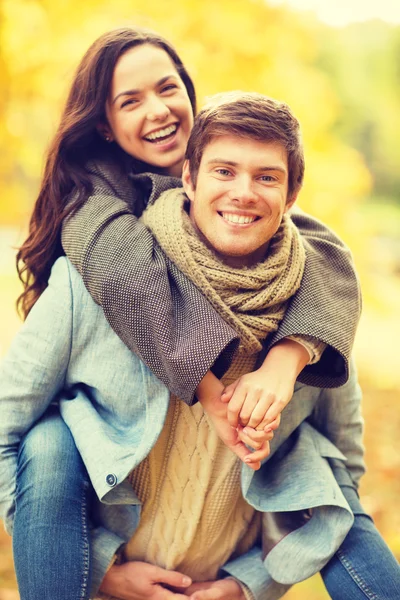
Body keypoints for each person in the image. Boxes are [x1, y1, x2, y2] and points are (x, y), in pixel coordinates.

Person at [0, 27, 363, 600]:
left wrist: (286, 359)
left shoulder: (243, 193)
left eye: (167, 88)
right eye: (130, 100)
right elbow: (133, 281)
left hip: (222, 538)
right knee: (46, 442)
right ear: (105, 125)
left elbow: (322, 250)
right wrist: (214, 392)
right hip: (110, 507)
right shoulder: (100, 211)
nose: (158, 109)